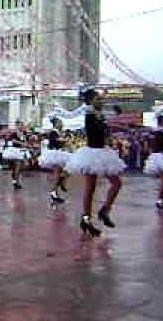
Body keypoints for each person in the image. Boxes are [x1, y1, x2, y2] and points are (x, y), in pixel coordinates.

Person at [65, 86, 126, 237]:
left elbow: (105, 126)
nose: (101, 101)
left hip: (103, 152)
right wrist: (108, 121)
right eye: (98, 99)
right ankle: (86, 219)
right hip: (92, 154)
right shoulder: (89, 114)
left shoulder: (99, 114)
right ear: (91, 101)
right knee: (90, 188)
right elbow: (95, 128)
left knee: (116, 183)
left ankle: (104, 210)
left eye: (101, 98)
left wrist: (112, 119)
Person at [38, 117, 71, 205]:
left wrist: (64, 141)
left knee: (65, 171)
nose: (62, 124)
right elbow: (55, 141)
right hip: (54, 154)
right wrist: (64, 140)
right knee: (58, 173)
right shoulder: (53, 132)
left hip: (59, 153)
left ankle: (59, 185)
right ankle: (54, 191)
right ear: (56, 124)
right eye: (60, 122)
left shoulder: (59, 132)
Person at [145, 112, 163, 211]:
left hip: (162, 156)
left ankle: (162, 200)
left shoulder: (160, 131)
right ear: (162, 122)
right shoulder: (159, 132)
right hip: (162, 157)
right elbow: (161, 145)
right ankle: (160, 200)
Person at [2, 120, 31, 189]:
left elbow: (25, 141)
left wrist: (26, 145)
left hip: (20, 151)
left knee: (22, 166)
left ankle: (15, 179)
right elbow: (12, 140)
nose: (21, 126)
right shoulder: (14, 133)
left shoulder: (24, 133)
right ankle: (16, 181)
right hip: (14, 151)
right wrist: (21, 143)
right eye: (20, 125)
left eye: (22, 125)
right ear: (17, 125)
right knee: (18, 166)